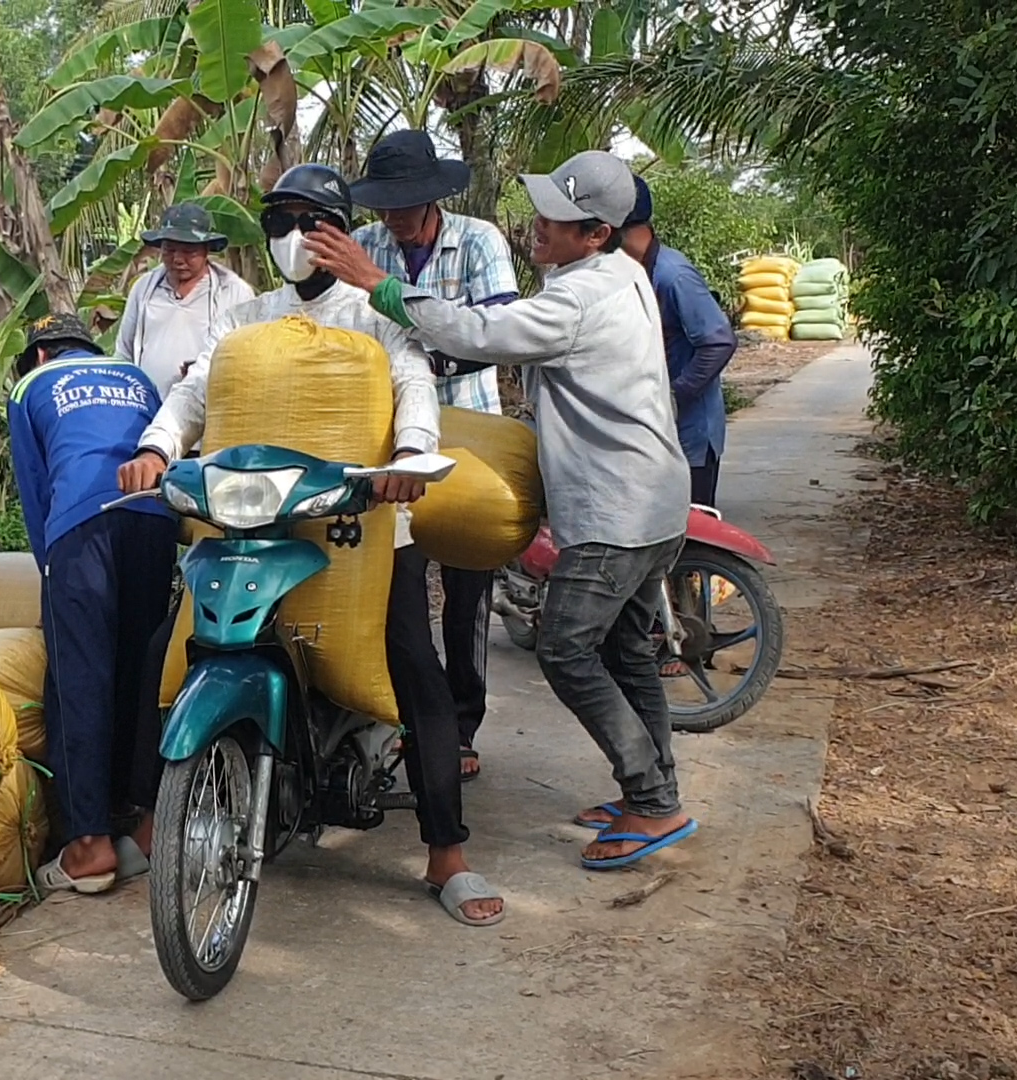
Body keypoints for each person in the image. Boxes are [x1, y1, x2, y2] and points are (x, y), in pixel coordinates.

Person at [119, 164, 505, 926]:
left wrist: (408, 458)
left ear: (338, 232)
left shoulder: (373, 315)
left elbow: (414, 384)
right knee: (166, 649)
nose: (293, 239)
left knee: (415, 667)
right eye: (279, 222)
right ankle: (149, 819)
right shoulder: (245, 320)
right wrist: (158, 447)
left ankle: (447, 853)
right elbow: (193, 390)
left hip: (361, 524)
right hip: (254, 520)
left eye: (311, 222)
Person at [306, 150, 697, 871]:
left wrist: (377, 286)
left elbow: (484, 337)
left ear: (597, 234)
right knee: (625, 650)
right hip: (655, 499)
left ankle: (652, 799)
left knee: (567, 650)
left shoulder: (578, 298)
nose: (537, 228)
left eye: (555, 220)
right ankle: (652, 788)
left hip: (616, 508)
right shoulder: (613, 276)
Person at [348, 128, 521, 783]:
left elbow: (497, 334)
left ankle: (463, 724)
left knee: (467, 591)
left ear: (432, 200)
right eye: (385, 205)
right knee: (396, 582)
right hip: (391, 439)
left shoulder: (478, 242)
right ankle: (404, 718)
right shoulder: (364, 248)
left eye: (406, 204)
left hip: (468, 431)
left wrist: (424, 353)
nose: (394, 218)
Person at [8, 314, 175, 893]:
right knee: (141, 665)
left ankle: (88, 844)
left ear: (40, 354)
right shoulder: (136, 376)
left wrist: (48, 576)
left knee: (79, 675)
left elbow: (36, 493)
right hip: (154, 515)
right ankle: (140, 811)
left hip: (81, 525)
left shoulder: (32, 387)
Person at [619, 176, 737, 508]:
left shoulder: (673, 275)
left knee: (693, 536)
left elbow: (719, 342)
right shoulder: (633, 272)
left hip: (691, 433)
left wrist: (674, 394)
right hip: (657, 430)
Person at [114, 203, 257, 399]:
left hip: (209, 409)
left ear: (207, 250)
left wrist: (205, 373)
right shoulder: (143, 289)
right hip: (149, 408)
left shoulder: (234, 293)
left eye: (189, 251)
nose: (178, 259)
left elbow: (250, 359)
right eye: (169, 250)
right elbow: (123, 353)